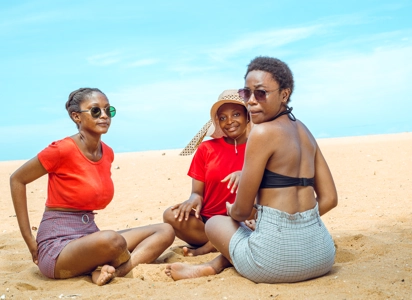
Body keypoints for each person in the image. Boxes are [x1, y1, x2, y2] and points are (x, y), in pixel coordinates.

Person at [165, 56, 338, 283]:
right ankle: (215, 262)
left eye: (261, 93)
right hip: (322, 256)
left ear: (284, 94)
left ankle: (212, 265)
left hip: (273, 263)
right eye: (247, 93)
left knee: (217, 223)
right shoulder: (304, 131)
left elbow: (241, 212)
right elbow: (330, 199)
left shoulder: (261, 133)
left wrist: (232, 210)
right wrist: (298, 222)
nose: (252, 101)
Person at [10, 88, 175, 286]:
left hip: (90, 235)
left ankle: (116, 271)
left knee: (165, 230)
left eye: (108, 110)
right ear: (76, 116)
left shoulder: (108, 153)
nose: (104, 116)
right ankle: (107, 267)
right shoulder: (61, 150)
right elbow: (17, 179)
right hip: (58, 245)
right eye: (96, 111)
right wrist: (29, 239)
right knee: (113, 241)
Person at [163, 89, 252, 256]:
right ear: (217, 121)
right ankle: (219, 242)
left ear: (247, 116)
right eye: (223, 117)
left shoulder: (258, 147)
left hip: (241, 220)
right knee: (170, 215)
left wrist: (245, 176)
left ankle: (213, 245)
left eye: (236, 114)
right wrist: (193, 199)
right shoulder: (206, 148)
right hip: (205, 223)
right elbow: (197, 192)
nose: (229, 121)